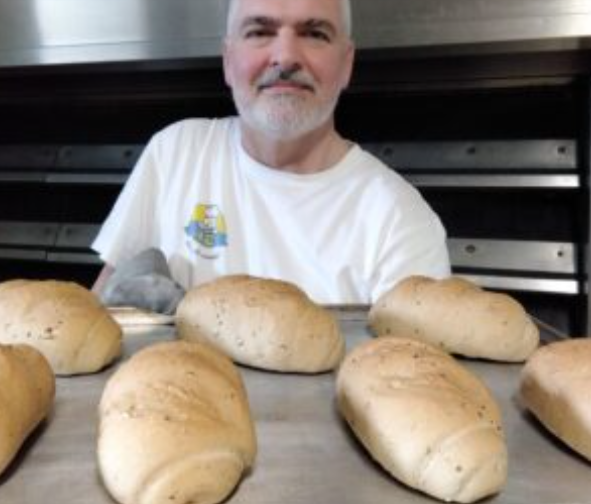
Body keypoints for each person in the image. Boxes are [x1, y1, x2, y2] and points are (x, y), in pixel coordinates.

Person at [92, 0, 450, 305]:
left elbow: (415, 362)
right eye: (260, 32)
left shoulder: (398, 219)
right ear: (228, 61)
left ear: (346, 64)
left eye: (314, 34)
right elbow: (102, 308)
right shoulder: (176, 153)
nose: (286, 57)